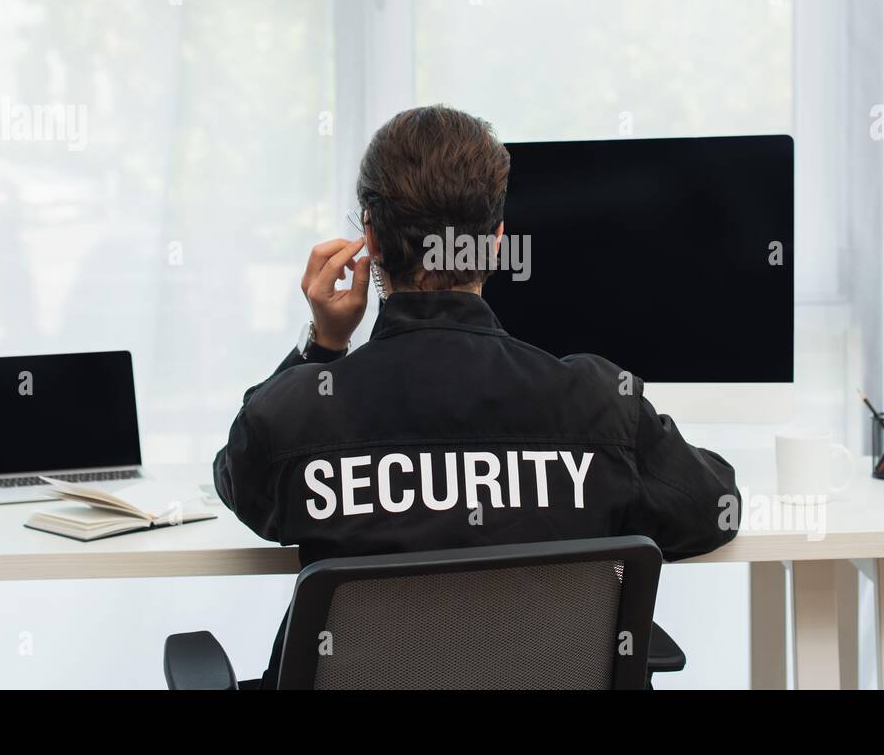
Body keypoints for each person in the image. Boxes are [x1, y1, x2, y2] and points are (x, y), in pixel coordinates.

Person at [213, 104, 740, 686]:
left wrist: (323, 346)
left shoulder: (299, 416)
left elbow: (240, 480)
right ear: (494, 243)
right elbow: (713, 508)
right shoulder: (597, 404)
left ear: (371, 240)